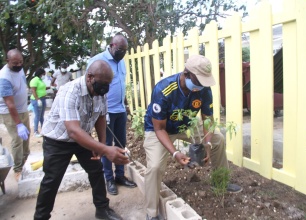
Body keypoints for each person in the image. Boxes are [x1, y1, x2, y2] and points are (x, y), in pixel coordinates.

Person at [143, 55, 242, 220]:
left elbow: (208, 120)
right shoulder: (164, 90)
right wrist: (175, 153)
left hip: (185, 126)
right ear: (186, 73)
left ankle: (221, 182)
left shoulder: (203, 89)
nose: (201, 85)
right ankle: (151, 213)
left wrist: (208, 144)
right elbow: (159, 128)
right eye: (199, 80)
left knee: (219, 139)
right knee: (154, 167)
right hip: (159, 130)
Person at [34, 60, 129, 220]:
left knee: (96, 170)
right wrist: (106, 150)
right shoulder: (69, 91)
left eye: (108, 84)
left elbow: (101, 116)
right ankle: (41, 217)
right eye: (103, 83)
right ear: (90, 77)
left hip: (82, 138)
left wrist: (101, 145)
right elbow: (73, 130)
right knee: (51, 180)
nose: (106, 88)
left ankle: (102, 210)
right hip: (58, 141)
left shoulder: (101, 92)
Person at [87, 34, 136, 196]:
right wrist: (98, 110)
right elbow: (90, 86)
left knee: (121, 144)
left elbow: (122, 84)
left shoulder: (122, 62)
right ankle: (109, 178)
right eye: (120, 50)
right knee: (107, 145)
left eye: (125, 51)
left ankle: (120, 176)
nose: (122, 53)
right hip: (105, 112)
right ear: (112, 45)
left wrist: (126, 104)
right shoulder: (98, 60)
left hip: (120, 110)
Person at [0, 49, 30, 181]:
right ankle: (18, 170)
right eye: (15, 63)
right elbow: (10, 104)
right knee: (17, 140)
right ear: (7, 61)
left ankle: (23, 163)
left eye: (20, 62)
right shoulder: (4, 77)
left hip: (23, 109)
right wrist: (18, 124)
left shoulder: (20, 69)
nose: (18, 65)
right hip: (10, 112)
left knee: (26, 138)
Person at [29, 68, 49, 137]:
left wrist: (50, 87)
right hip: (37, 99)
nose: (44, 75)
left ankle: (44, 130)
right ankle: (35, 131)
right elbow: (33, 91)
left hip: (43, 98)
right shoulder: (34, 80)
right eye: (44, 74)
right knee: (37, 115)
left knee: (41, 116)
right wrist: (37, 99)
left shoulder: (41, 80)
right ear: (41, 73)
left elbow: (42, 88)